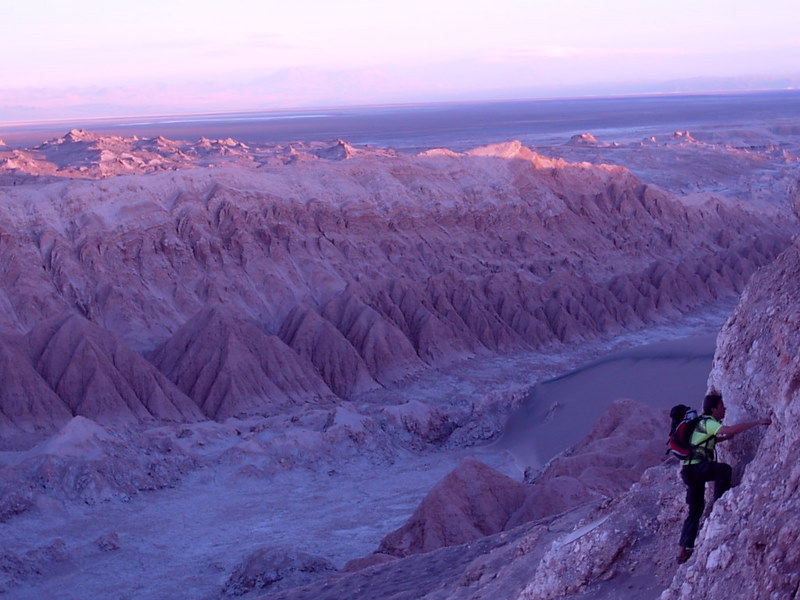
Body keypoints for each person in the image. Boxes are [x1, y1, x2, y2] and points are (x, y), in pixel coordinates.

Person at [676, 392, 770, 564]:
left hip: (688, 470)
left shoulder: (700, 423)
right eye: (721, 406)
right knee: (724, 470)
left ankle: (682, 551)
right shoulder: (709, 422)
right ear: (714, 409)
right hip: (697, 468)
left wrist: (725, 438)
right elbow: (730, 429)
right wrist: (757, 422)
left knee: (695, 510)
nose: (724, 409)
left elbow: (702, 442)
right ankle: (720, 505)